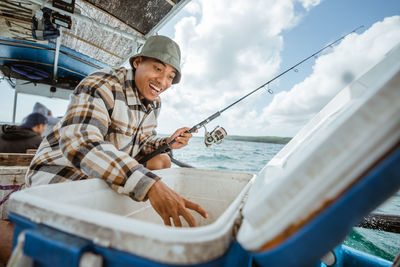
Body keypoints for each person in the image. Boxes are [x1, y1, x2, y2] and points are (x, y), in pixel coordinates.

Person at [25, 35, 208, 226]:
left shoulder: (154, 103)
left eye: (170, 76)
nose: (163, 81)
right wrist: (149, 185)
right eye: (158, 68)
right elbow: (80, 143)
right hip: (63, 173)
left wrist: (168, 142)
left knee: (162, 159)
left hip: (103, 175)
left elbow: (144, 141)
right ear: (137, 62)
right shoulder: (102, 83)